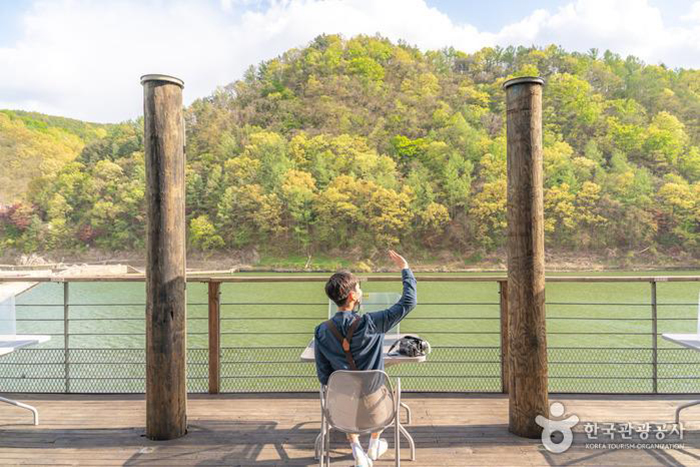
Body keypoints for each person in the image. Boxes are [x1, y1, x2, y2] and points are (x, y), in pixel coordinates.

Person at [314, 250, 417, 467]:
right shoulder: (371, 323)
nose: (361, 291)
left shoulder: (321, 331)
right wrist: (405, 268)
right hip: (376, 410)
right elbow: (408, 302)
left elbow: (324, 375)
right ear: (352, 296)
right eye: (358, 288)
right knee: (379, 386)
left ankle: (356, 448)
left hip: (341, 411)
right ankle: (373, 443)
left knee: (344, 391)